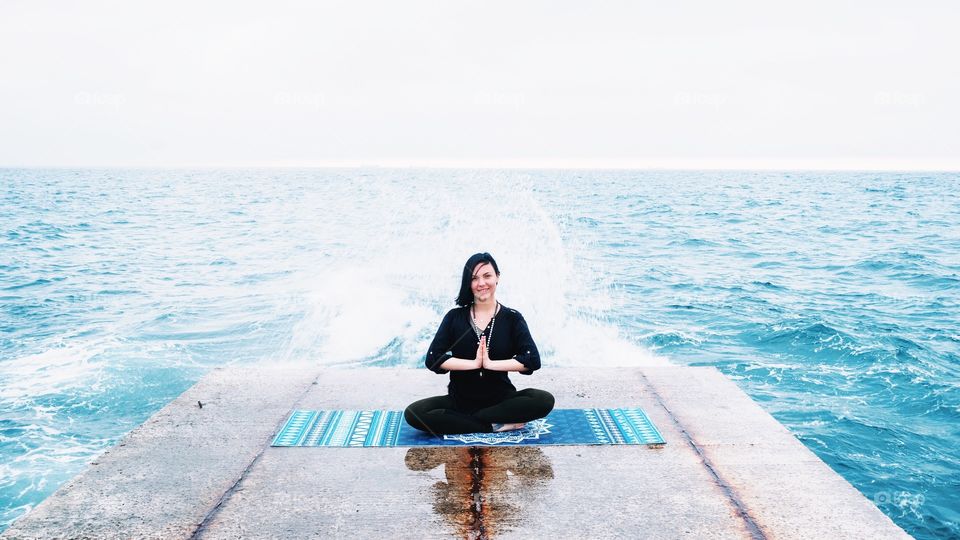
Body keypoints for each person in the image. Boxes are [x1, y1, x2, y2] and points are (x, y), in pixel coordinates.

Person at [404, 252, 555, 435]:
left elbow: (532, 360)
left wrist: (490, 364)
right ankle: (491, 425)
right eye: (474, 278)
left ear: (497, 277)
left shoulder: (512, 318)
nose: (481, 283)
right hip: (460, 401)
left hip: (501, 401)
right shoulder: (454, 317)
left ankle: (468, 421)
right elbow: (433, 359)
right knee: (414, 413)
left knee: (543, 399)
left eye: (487, 276)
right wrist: (474, 364)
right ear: (468, 283)